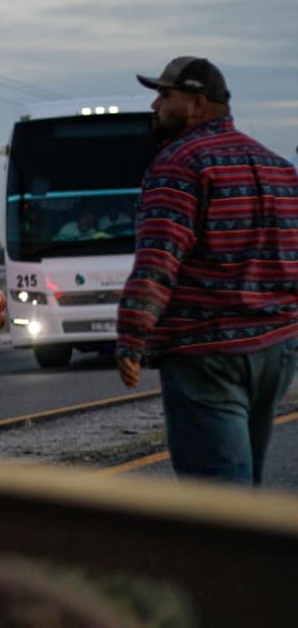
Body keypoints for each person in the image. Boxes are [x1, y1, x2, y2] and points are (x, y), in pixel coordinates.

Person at [116, 56, 298, 485]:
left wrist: (131, 335)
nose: (155, 105)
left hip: (207, 352)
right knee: (243, 482)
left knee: (217, 495)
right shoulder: (278, 168)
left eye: (165, 95)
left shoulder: (178, 163)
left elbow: (159, 259)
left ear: (197, 104)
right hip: (277, 348)